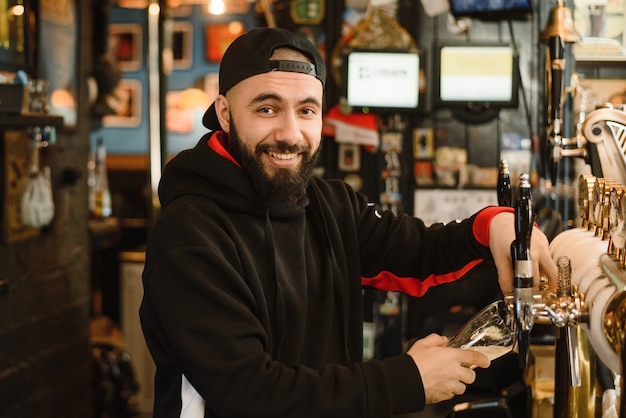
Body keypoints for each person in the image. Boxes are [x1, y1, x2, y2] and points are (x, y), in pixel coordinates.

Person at [140, 27, 558, 417]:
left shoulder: (328, 204)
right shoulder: (189, 233)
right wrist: (409, 379)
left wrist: (493, 226)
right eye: (267, 108)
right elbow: (251, 392)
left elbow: (418, 253)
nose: (290, 133)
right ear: (226, 114)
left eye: (307, 110)